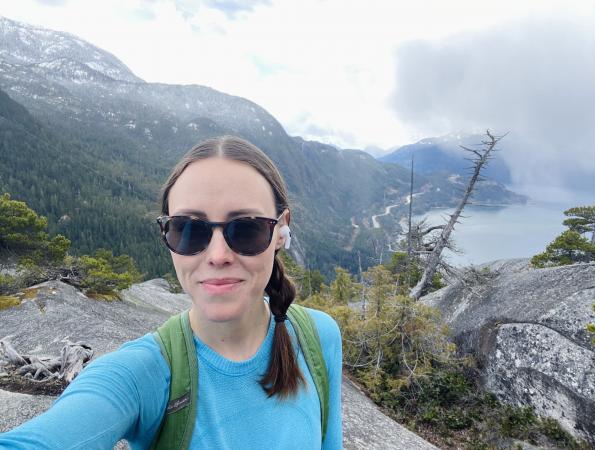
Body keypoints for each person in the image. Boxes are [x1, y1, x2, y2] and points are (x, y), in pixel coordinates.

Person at [0, 136, 343, 449]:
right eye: (189, 230)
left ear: (281, 231)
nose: (218, 255)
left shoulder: (318, 337)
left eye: (248, 229)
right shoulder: (145, 373)